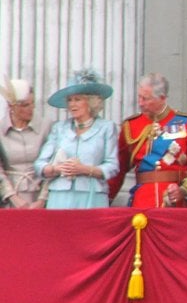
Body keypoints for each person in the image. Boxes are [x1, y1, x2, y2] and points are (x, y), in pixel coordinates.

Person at [109, 73, 187, 208]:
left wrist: (184, 190)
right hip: (143, 201)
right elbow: (119, 168)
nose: (140, 103)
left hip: (176, 201)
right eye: (139, 97)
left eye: (145, 99)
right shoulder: (131, 125)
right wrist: (107, 198)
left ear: (162, 98)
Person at [34, 70, 119, 209]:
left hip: (92, 195)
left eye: (77, 99)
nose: (72, 105)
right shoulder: (59, 128)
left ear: (91, 102)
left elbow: (113, 166)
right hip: (60, 196)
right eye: (69, 100)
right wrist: (56, 169)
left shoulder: (106, 128)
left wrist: (84, 169)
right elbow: (39, 165)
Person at [0, 78, 52, 208]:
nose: (31, 109)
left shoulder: (46, 127)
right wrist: (13, 197)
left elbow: (53, 162)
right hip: (9, 198)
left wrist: (42, 199)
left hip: (40, 195)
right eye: (24, 105)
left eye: (32, 103)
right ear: (11, 106)